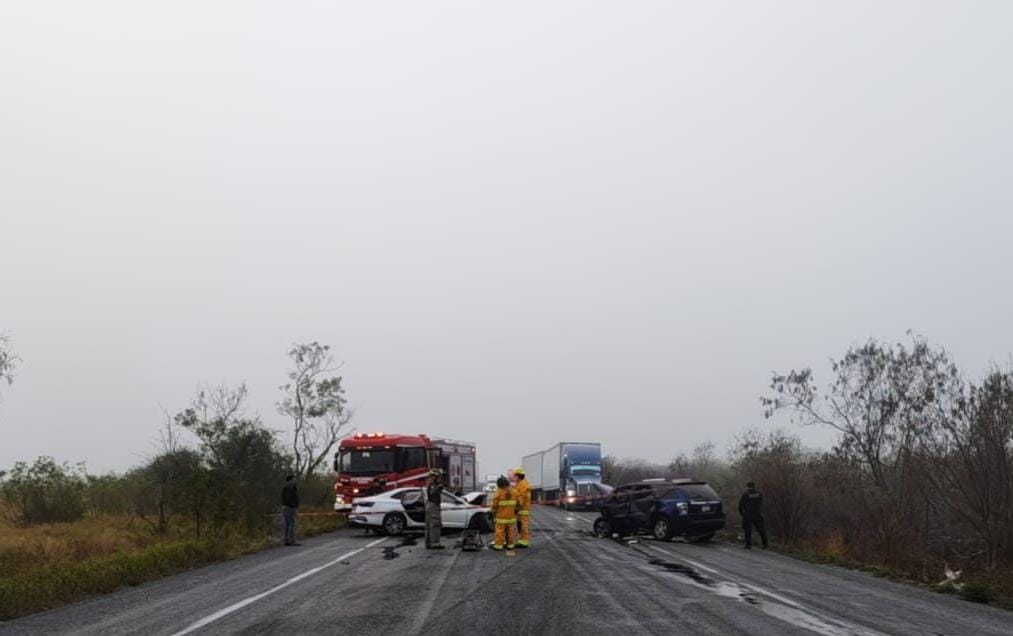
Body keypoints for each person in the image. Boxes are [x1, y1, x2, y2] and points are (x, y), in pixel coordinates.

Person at [491, 475, 518, 551]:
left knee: (499, 532)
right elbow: (519, 503)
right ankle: (510, 545)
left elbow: (494, 505)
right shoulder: (514, 491)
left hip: (501, 518)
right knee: (510, 532)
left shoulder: (498, 492)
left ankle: (498, 546)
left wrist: (493, 512)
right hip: (511, 517)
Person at [738, 481, 768, 550]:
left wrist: (742, 514)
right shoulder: (759, 493)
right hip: (757, 514)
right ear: (754, 486)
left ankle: (748, 545)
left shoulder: (746, 494)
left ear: (747, 486)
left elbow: (740, 505)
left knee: (748, 529)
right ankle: (765, 544)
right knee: (761, 529)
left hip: (748, 514)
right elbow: (761, 502)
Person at [425, 468, 446, 550]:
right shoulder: (434, 485)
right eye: (439, 477)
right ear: (434, 477)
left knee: (429, 525)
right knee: (435, 524)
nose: (440, 479)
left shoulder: (430, 484)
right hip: (433, 505)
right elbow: (432, 493)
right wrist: (439, 487)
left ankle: (429, 543)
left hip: (430, 505)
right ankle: (435, 543)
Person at [514, 467, 531, 548]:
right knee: (520, 525)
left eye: (515, 475)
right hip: (520, 509)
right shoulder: (519, 483)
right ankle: (521, 541)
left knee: (523, 525)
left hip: (523, 509)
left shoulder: (523, 484)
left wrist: (518, 505)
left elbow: (522, 496)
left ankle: (524, 542)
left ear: (518, 475)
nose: (514, 477)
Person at [281, 474, 300, 546]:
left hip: (286, 507)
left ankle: (286, 540)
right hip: (289, 508)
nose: (295, 480)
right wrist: (294, 506)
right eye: (294, 479)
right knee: (291, 524)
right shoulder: (289, 487)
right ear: (290, 480)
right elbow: (289, 498)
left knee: (287, 524)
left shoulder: (287, 487)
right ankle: (291, 540)